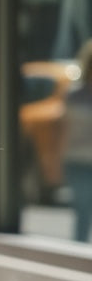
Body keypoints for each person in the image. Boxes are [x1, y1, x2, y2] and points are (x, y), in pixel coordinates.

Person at [62, 37, 92, 242]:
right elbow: (64, 132)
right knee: (83, 211)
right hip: (79, 162)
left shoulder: (73, 95)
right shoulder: (72, 95)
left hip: (77, 160)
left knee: (82, 211)